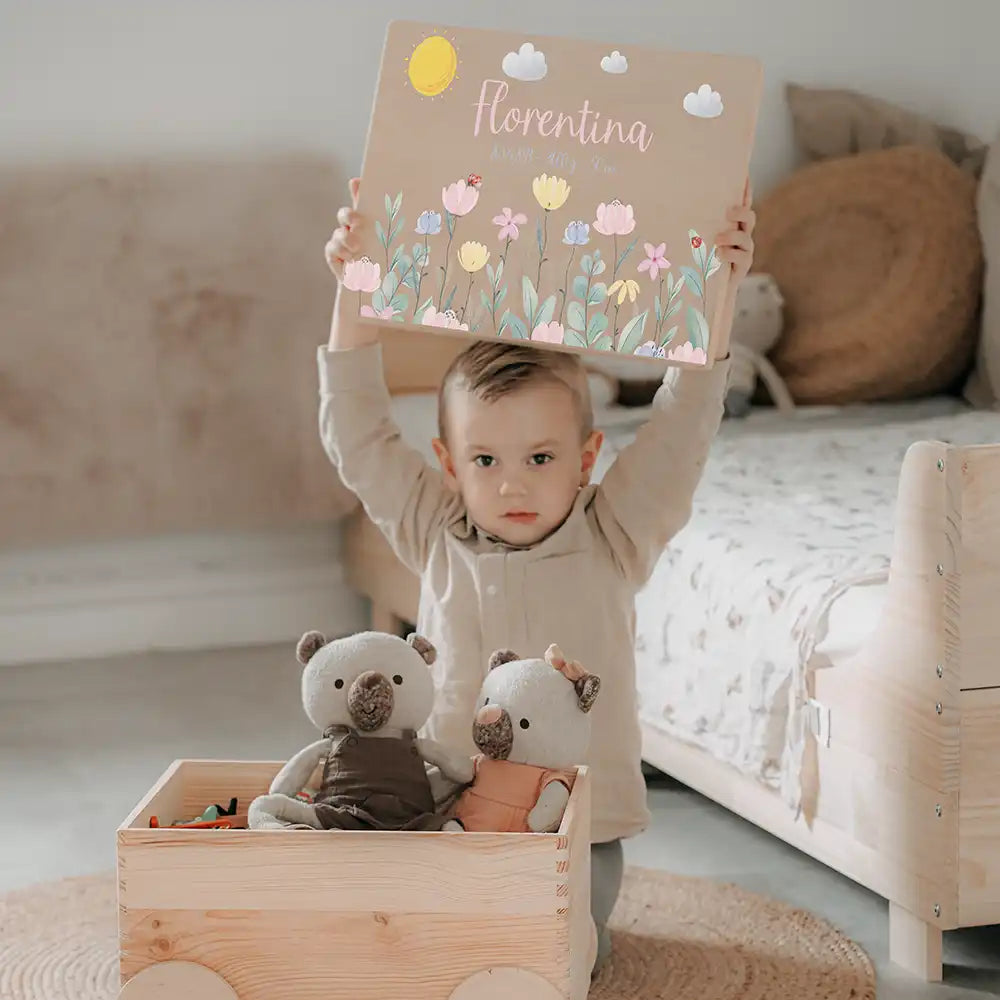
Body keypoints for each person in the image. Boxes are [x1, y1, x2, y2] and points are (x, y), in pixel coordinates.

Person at [319, 176, 755, 970]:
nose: (513, 484)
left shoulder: (614, 531)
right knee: (445, 943)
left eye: (541, 458)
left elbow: (684, 422)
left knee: (560, 952)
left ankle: (572, 947)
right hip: (457, 803)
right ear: (449, 464)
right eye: (486, 459)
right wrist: (354, 289)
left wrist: (718, 289)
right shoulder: (437, 529)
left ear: (587, 459)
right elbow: (360, 433)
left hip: (580, 818)